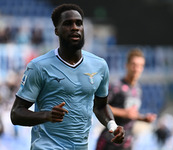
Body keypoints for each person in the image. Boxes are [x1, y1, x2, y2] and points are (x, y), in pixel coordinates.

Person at [10, 3, 125, 150]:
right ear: (56, 31)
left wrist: (112, 125)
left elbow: (100, 106)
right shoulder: (39, 66)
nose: (75, 27)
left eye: (79, 23)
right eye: (68, 23)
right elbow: (16, 113)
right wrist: (46, 115)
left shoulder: (99, 66)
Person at [96, 48, 157, 150]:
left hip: (127, 142)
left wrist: (142, 118)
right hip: (110, 140)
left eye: (140, 66)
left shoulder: (138, 89)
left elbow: (130, 114)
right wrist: (123, 113)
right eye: (134, 64)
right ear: (126, 65)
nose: (136, 68)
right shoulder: (116, 86)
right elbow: (101, 106)